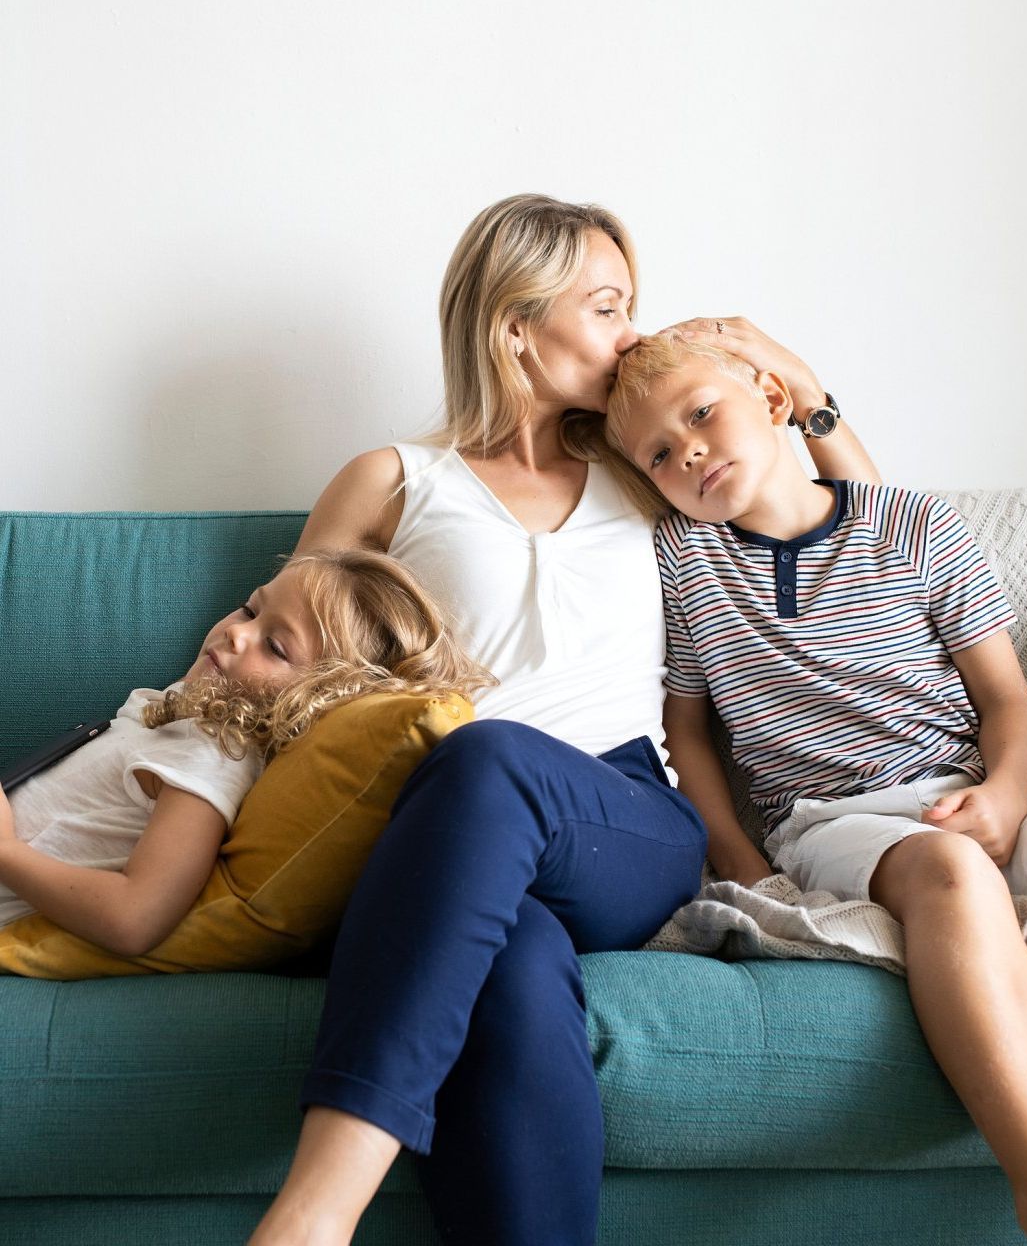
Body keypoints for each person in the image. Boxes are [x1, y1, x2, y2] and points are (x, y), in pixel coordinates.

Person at [249, 194, 882, 1246]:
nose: (630, 331)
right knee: (503, 970)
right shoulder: (395, 481)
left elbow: (851, 541)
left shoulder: (651, 471)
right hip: (445, 830)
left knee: (492, 753)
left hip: (623, 817)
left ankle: (315, 1212)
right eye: (604, 305)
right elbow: (268, 662)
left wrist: (802, 389)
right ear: (514, 326)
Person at [603, 330, 1027, 1246]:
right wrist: (745, 863)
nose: (685, 449)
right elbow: (688, 733)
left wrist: (1006, 792)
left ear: (771, 400)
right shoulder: (686, 560)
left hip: (972, 784)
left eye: (701, 412)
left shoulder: (913, 524)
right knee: (953, 872)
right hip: (834, 821)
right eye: (656, 453)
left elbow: (1008, 699)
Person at [0, 548, 487, 957]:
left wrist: (5, 852)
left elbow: (136, 918)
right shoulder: (181, 715)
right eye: (250, 610)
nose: (238, 632)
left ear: (324, 694)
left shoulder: (214, 750)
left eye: (275, 646)